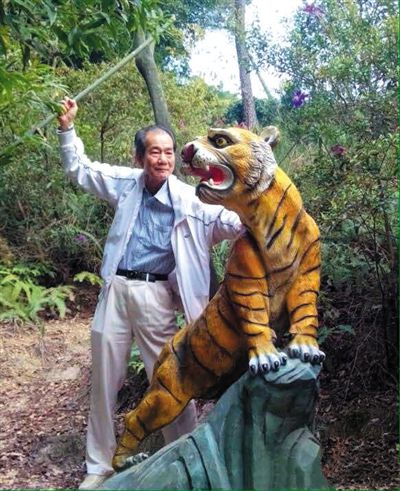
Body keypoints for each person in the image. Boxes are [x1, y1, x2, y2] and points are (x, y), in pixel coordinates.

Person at [57, 97, 243, 490]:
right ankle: (99, 466)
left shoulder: (191, 199)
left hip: (156, 296)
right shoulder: (127, 184)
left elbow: (230, 222)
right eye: (155, 152)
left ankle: (189, 460)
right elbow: (80, 169)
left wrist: (255, 205)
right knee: (103, 381)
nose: (163, 159)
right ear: (140, 156)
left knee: (171, 378)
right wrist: (67, 128)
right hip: (116, 291)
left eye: (169, 152)